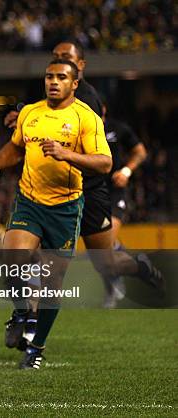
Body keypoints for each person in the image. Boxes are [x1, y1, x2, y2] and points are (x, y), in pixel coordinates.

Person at [2, 40, 162, 336]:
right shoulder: (49, 90)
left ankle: (138, 266)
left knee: (107, 263)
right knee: (25, 254)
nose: (58, 64)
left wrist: (126, 170)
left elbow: (81, 139)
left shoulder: (85, 97)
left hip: (88, 190)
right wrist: (20, 117)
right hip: (47, 193)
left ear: (80, 68)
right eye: (56, 58)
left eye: (66, 59)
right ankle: (26, 318)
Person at [0, 59, 112, 368]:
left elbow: (105, 163)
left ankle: (36, 348)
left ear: (74, 83)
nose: (53, 82)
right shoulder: (30, 112)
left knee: (53, 283)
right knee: (9, 259)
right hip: (30, 200)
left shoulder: (86, 117)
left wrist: (67, 154)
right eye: (49, 76)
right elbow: (16, 147)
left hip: (66, 208)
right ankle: (21, 311)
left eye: (61, 77)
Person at [101, 104, 149, 307]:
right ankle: (126, 270)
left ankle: (116, 282)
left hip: (113, 191)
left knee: (105, 242)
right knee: (100, 250)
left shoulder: (117, 128)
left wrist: (127, 171)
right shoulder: (78, 130)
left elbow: (140, 152)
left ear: (102, 108)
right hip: (89, 194)